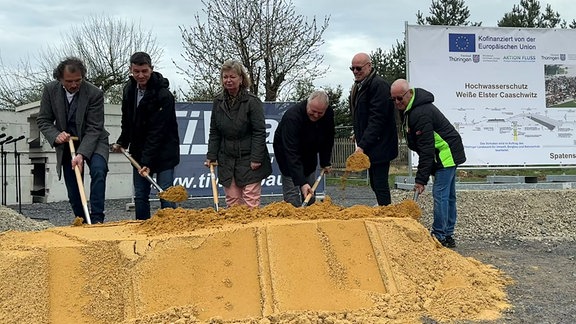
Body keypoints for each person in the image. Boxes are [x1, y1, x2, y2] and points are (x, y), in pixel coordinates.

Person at [390, 78, 466, 248]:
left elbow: (427, 149)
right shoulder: (409, 110)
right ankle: (447, 234)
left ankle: (440, 235)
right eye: (393, 99)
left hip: (446, 153)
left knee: (441, 195)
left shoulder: (420, 113)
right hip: (443, 152)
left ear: (409, 93)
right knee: (448, 195)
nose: (396, 102)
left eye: (399, 98)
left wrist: (420, 180)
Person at [37, 57, 109, 224]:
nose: (74, 85)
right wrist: (56, 135)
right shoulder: (50, 90)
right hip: (67, 143)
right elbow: (43, 120)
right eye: (69, 81)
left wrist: (82, 154)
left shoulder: (94, 93)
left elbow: (94, 127)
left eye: (78, 80)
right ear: (60, 79)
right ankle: (82, 220)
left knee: (99, 170)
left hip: (94, 139)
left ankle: (97, 219)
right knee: (73, 187)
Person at [111, 52, 180, 220]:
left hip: (164, 150)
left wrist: (147, 162)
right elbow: (127, 120)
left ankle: (171, 229)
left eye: (144, 71)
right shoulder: (129, 90)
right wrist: (122, 141)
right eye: (136, 71)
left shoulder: (164, 96)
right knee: (141, 195)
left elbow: (157, 132)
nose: (140, 75)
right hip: (139, 151)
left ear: (151, 69)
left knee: (165, 192)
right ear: (131, 70)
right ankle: (142, 227)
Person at [205, 59, 272, 208]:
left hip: (249, 159)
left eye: (232, 77)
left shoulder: (252, 102)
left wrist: (256, 158)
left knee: (250, 199)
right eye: (225, 77)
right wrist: (211, 155)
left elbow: (259, 131)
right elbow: (214, 131)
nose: (228, 80)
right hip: (227, 159)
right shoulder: (218, 101)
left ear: (241, 79)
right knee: (232, 200)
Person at [349, 52, 398, 206]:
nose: (355, 71)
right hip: (372, 145)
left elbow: (377, 120)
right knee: (375, 184)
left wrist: (362, 145)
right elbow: (362, 116)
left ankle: (386, 213)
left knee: (380, 183)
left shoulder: (378, 86)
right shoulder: (359, 87)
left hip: (381, 145)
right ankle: (383, 208)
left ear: (369, 66)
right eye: (352, 68)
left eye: (358, 68)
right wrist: (356, 133)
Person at [273, 90, 334, 207]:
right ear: (308, 104)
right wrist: (302, 183)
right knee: (292, 193)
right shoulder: (292, 117)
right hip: (287, 154)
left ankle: (310, 212)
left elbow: (328, 138)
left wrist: (325, 162)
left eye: (320, 113)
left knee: (309, 192)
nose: (316, 115)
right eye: (313, 111)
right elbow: (291, 152)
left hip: (310, 153)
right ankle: (293, 213)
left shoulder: (328, 114)